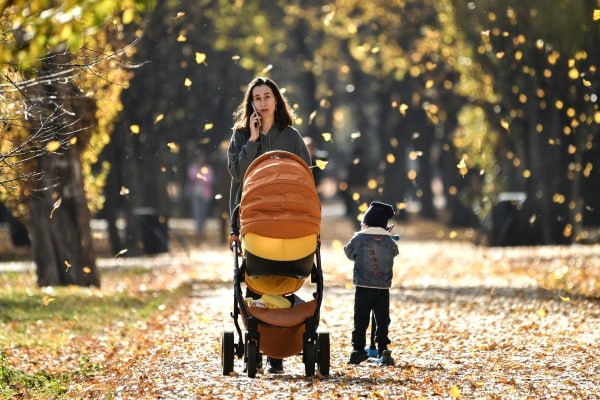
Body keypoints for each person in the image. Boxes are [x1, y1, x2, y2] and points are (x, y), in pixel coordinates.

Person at [227, 76, 312, 374]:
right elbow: (237, 173)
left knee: (283, 273)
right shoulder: (240, 136)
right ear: (250, 104)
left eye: (267, 97)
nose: (262, 103)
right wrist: (252, 140)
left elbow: (306, 180)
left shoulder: (291, 137)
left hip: (289, 218)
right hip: (252, 219)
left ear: (277, 101)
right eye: (257, 98)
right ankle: (258, 344)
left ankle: (278, 346)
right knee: (255, 277)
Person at [344, 201, 399, 366]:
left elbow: (348, 252)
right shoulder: (390, 242)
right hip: (383, 288)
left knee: (360, 319)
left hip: (363, 287)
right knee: (382, 319)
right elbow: (395, 253)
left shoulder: (359, 238)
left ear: (366, 223)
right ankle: (383, 349)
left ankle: (358, 350)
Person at [186, 152, 214, 239]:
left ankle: (203, 228)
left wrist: (201, 177)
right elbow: (191, 176)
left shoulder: (208, 168)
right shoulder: (194, 167)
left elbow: (210, 179)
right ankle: (198, 230)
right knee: (197, 211)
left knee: (204, 212)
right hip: (195, 193)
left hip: (205, 194)